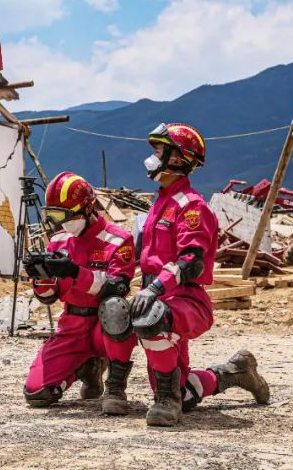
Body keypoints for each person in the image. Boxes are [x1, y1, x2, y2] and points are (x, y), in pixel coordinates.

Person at [131, 122, 271, 426]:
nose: (152, 156)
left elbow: (191, 262)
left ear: (178, 159)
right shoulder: (160, 203)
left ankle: (167, 402)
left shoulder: (191, 207)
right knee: (183, 388)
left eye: (158, 150)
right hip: (161, 298)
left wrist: (155, 289)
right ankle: (236, 372)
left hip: (185, 300)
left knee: (151, 317)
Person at [22, 172, 138, 414]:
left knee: (116, 307)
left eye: (64, 216)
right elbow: (48, 297)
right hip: (71, 325)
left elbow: (117, 287)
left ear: (87, 209)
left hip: (104, 324)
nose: (61, 223)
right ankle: (86, 367)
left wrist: (76, 272)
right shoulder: (59, 241)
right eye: (53, 216)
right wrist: (40, 277)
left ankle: (115, 386)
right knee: (37, 393)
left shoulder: (118, 240)